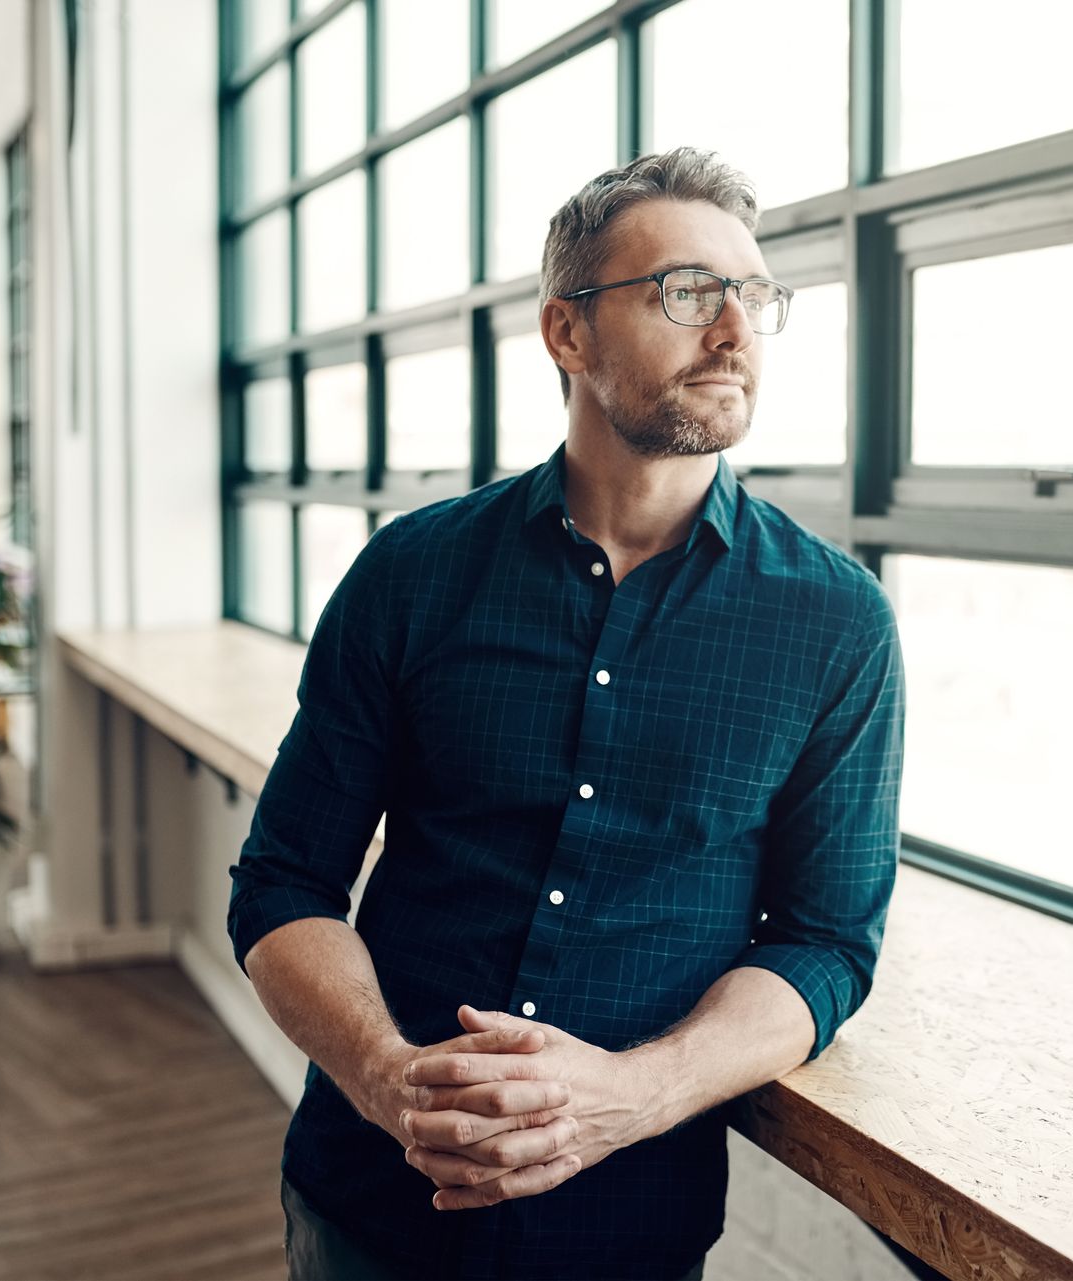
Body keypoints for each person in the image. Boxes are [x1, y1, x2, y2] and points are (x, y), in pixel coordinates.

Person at [228, 147, 906, 1281]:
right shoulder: (411, 575)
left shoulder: (837, 624)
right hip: (372, 1201)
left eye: (754, 296)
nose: (733, 329)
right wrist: (390, 1077)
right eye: (689, 292)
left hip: (625, 1224)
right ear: (567, 334)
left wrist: (628, 1099)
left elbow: (828, 943)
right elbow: (284, 878)